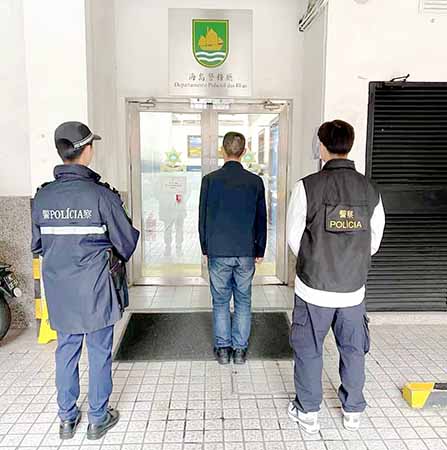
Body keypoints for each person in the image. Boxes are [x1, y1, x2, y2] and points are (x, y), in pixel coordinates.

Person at [31, 122, 140, 441]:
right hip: (96, 289)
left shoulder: (43, 197)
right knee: (99, 351)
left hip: (59, 290)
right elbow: (126, 242)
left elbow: (37, 245)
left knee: (66, 349)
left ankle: (66, 419)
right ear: (86, 150)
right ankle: (97, 418)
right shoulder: (101, 196)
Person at [286, 120, 385, 434]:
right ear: (349, 145)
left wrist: (316, 260)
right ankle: (352, 410)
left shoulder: (306, 186)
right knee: (353, 350)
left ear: (321, 146)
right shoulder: (370, 189)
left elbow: (293, 237)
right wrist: (349, 262)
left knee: (309, 349)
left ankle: (308, 412)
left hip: (313, 289)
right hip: (353, 290)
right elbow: (374, 241)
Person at [199, 132, 267, 365]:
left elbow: (203, 217)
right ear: (244, 151)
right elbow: (261, 219)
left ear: (222, 150)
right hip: (246, 251)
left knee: (220, 301)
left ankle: (223, 350)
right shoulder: (255, 182)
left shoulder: (210, 180)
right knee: (243, 300)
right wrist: (260, 250)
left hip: (218, 250)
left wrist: (205, 247)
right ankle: (239, 351)